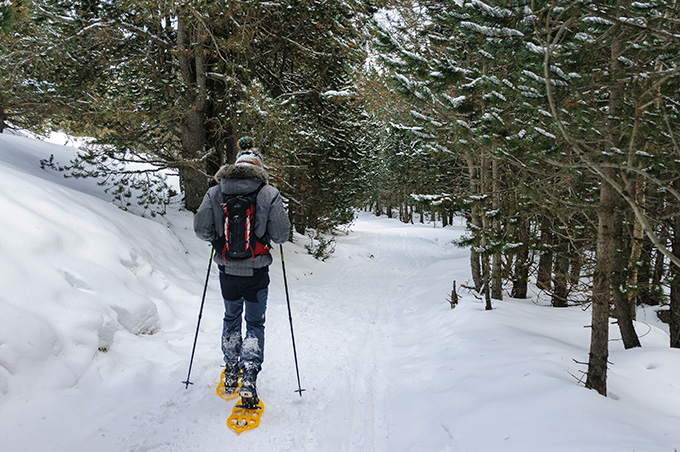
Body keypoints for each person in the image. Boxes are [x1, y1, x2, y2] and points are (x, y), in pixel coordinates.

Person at [193, 136, 290, 407]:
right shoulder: (268, 193)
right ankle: (249, 375)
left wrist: (218, 242)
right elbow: (281, 235)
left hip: (227, 271)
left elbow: (201, 229)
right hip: (257, 272)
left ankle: (231, 370)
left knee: (231, 318)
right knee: (255, 322)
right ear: (259, 167)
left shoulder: (215, 192)